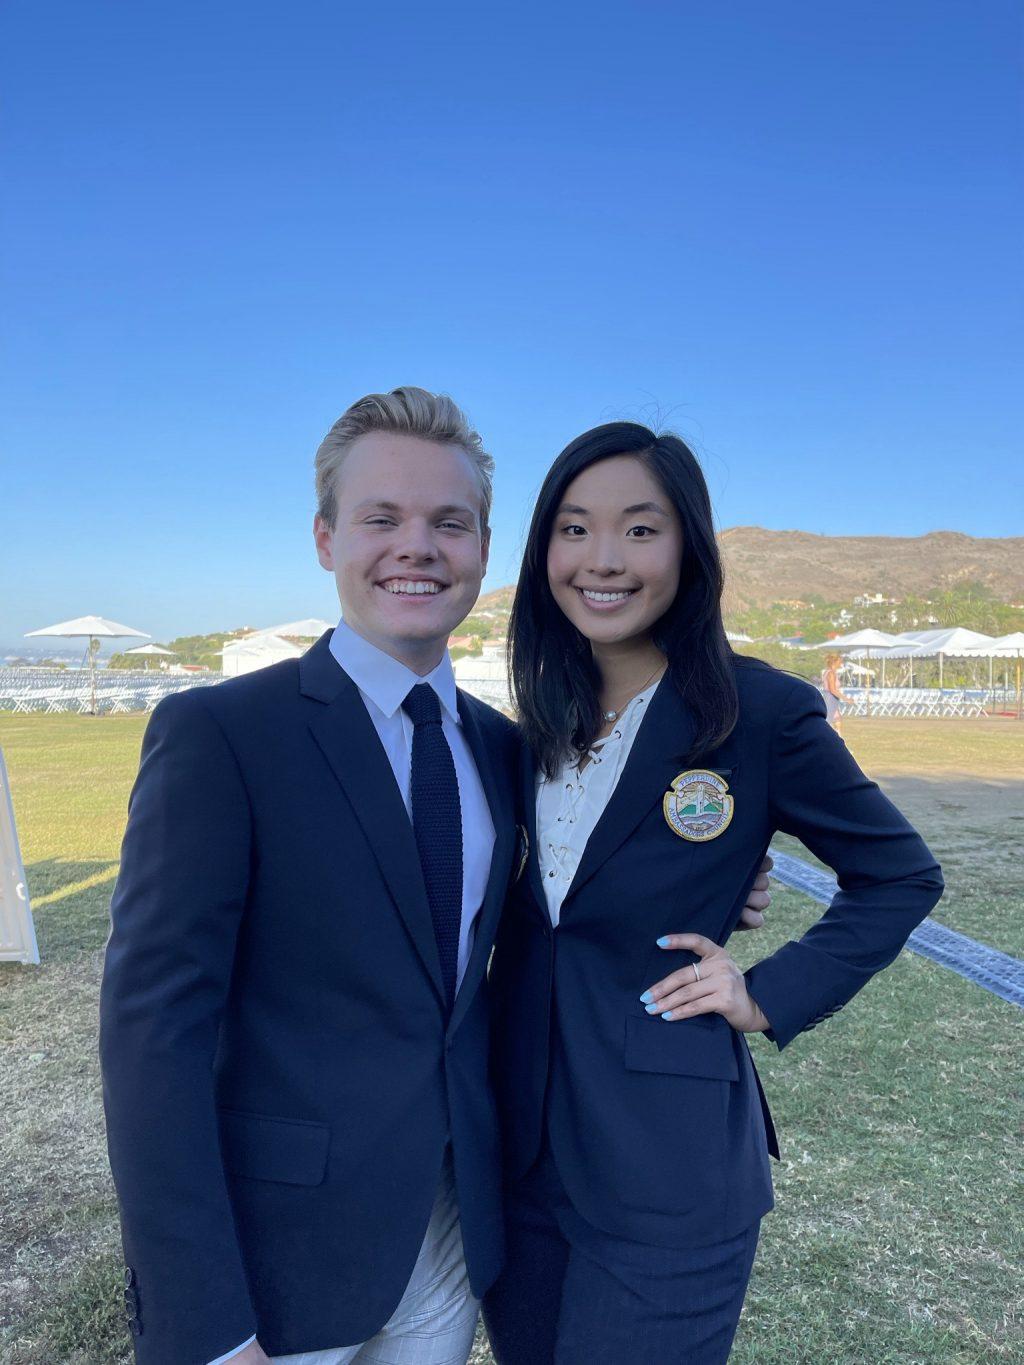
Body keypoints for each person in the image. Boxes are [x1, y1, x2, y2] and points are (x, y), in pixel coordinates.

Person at [99, 389, 772, 1365]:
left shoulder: (512, 751)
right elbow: (151, 1036)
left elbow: (577, 902)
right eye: (381, 518)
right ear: (326, 538)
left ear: (483, 550)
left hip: (452, 1248)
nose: (415, 546)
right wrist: (205, 1325)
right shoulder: (222, 736)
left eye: (447, 523)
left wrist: (722, 885)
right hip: (280, 1271)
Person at [482, 422, 944, 1365]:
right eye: (574, 529)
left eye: (640, 530)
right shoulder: (534, 721)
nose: (602, 560)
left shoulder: (759, 711)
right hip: (515, 1155)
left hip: (667, 1171)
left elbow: (900, 873)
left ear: (689, 546)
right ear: (543, 554)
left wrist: (766, 991)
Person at [821, 650, 853, 735]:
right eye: (840, 661)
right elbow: (833, 690)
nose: (841, 663)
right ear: (834, 662)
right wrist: (846, 699)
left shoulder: (830, 672)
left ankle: (839, 740)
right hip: (830, 698)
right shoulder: (831, 673)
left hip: (832, 699)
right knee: (828, 722)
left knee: (837, 721)